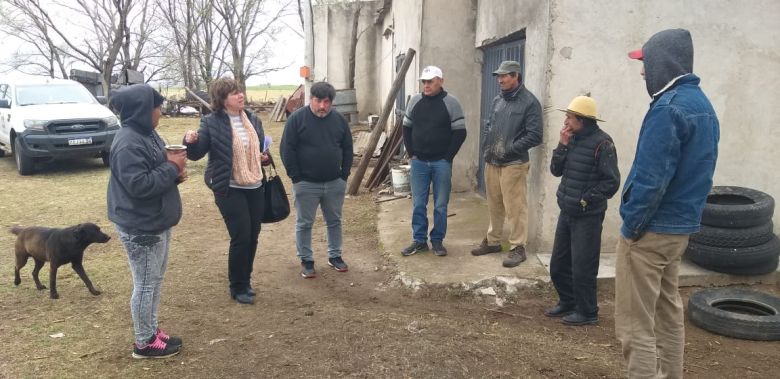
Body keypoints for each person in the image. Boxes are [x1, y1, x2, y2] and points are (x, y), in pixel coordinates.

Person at [615, 28, 719, 378]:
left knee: (635, 325)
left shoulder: (667, 108)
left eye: (646, 62)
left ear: (663, 62)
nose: (643, 71)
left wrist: (631, 226)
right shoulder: (703, 106)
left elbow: (652, 179)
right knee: (667, 313)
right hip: (678, 231)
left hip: (650, 232)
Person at [107, 84, 186, 359]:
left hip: (156, 219)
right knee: (145, 283)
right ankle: (143, 342)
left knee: (154, 279)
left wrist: (173, 173)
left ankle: (151, 331)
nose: (160, 112)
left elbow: (154, 169)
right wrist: (171, 168)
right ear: (142, 110)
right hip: (140, 225)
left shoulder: (147, 133)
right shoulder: (127, 142)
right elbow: (138, 185)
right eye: (157, 107)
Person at [184, 78, 269, 305]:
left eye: (240, 91)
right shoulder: (211, 122)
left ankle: (246, 279)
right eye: (234, 93)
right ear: (222, 100)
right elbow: (196, 154)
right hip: (228, 187)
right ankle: (237, 286)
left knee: (253, 235)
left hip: (255, 185)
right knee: (241, 235)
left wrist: (264, 157)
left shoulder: (252, 119)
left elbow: (260, 150)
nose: (240, 95)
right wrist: (189, 141)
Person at [546, 96, 620, 326]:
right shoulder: (571, 139)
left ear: (582, 120)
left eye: (569, 117)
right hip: (567, 211)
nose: (566, 121)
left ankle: (588, 312)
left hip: (587, 215)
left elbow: (611, 182)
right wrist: (562, 144)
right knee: (558, 265)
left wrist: (586, 200)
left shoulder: (603, 144)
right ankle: (568, 301)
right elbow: (556, 171)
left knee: (583, 267)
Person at [471, 60, 543, 267]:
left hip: (514, 163)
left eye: (504, 76)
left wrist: (509, 149)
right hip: (492, 161)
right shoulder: (497, 100)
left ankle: (518, 247)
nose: (500, 80)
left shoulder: (529, 102)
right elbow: (489, 126)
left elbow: (535, 135)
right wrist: (487, 146)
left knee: (515, 207)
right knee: (494, 204)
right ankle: (493, 241)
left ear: (516, 76)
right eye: (499, 76)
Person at [281, 81, 353, 279]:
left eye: (327, 102)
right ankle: (307, 260)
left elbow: (348, 148)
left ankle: (335, 256)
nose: (322, 106)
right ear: (311, 99)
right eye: (318, 101)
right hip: (305, 183)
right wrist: (296, 177)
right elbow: (287, 149)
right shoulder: (296, 119)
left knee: (334, 221)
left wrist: (343, 175)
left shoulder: (339, 120)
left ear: (332, 102)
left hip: (334, 183)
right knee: (304, 223)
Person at [400, 66, 467, 257]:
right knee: (418, 203)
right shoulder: (415, 101)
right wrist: (411, 152)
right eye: (424, 81)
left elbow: (460, 132)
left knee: (440, 204)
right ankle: (419, 240)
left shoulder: (451, 103)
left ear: (440, 81)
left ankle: (437, 240)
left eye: (430, 81)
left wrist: (447, 158)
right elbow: (406, 127)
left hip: (441, 163)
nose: (426, 85)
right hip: (419, 162)